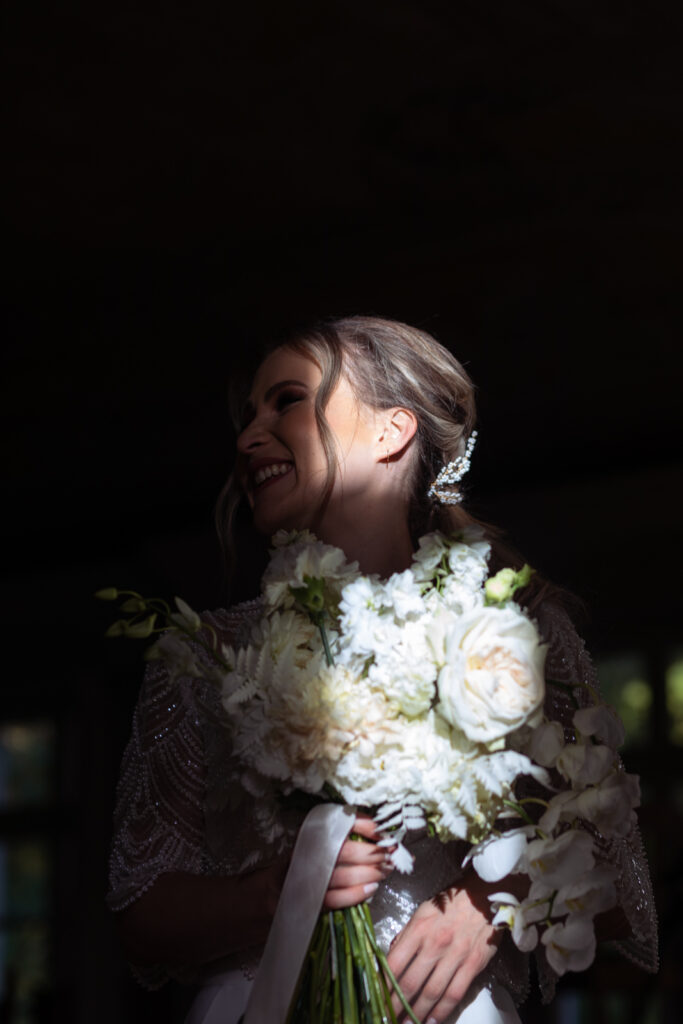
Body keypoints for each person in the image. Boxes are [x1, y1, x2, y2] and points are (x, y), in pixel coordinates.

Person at [108, 316, 658, 1023]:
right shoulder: (206, 657)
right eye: (248, 415)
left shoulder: (514, 637)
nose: (247, 438)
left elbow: (618, 882)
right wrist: (277, 895)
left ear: (389, 430)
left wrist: (493, 901)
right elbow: (138, 907)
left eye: (286, 401)